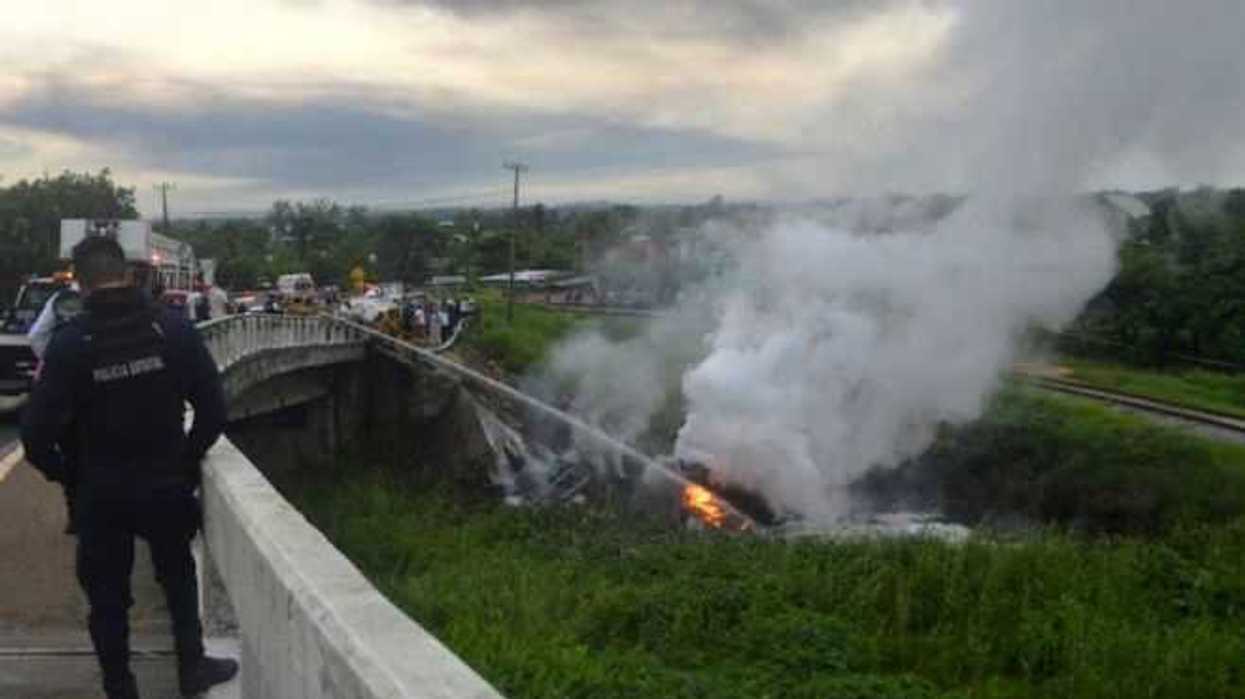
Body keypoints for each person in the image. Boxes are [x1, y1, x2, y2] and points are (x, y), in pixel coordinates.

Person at [20, 237, 237, 699]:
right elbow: (214, 411)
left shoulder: (70, 344)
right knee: (177, 578)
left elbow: (35, 438)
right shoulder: (174, 330)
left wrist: (69, 474)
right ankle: (192, 668)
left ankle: (120, 687)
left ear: (80, 282)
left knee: (107, 597)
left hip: (100, 492)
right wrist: (186, 459)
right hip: (165, 483)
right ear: (129, 271)